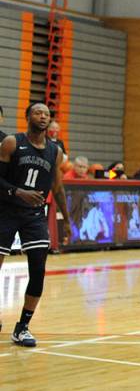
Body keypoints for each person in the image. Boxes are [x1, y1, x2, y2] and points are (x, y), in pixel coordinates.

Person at [0, 103, 70, 347]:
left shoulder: (55, 152)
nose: (43, 117)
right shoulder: (11, 142)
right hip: (5, 210)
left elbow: (58, 188)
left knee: (38, 269)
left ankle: (22, 327)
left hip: (34, 215)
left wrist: (67, 220)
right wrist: (17, 192)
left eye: (47, 114)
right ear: (27, 116)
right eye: (39, 112)